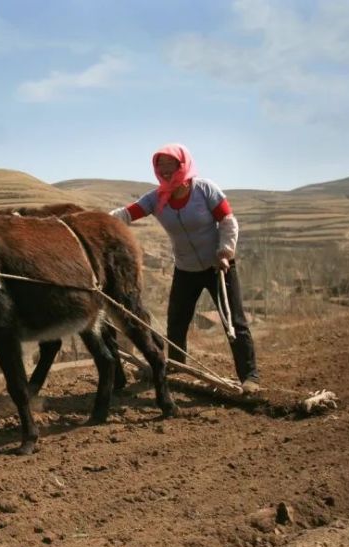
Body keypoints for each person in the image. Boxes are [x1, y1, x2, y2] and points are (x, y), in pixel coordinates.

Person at [109, 143, 260, 393]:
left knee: (235, 322)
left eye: (171, 166)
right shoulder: (156, 198)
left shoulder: (205, 190)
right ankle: (179, 370)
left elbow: (228, 221)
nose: (166, 172)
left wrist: (225, 251)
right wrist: (94, 220)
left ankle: (250, 377)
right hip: (185, 269)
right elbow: (125, 215)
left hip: (218, 266)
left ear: (184, 165)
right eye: (161, 167)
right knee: (176, 323)